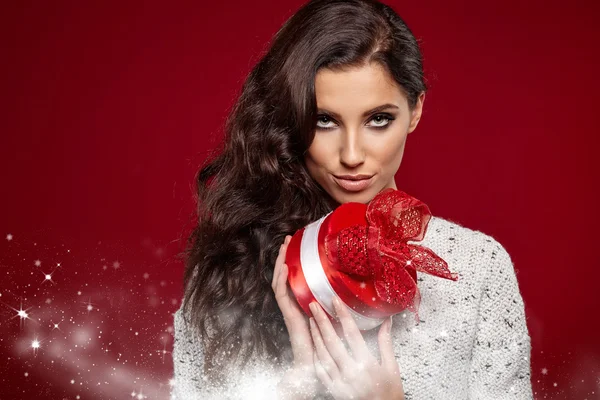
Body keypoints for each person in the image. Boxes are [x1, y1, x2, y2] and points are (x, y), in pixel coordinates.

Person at [171, 0, 533, 399]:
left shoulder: (478, 270)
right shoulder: (230, 272)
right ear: (292, 118)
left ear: (415, 110)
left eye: (379, 119)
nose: (351, 155)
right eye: (324, 120)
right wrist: (297, 386)